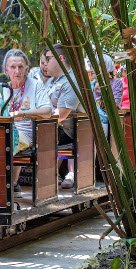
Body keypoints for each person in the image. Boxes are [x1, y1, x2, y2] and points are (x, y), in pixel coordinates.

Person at [0, 49, 52, 190]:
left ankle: (3, 187)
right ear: (6, 70)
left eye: (21, 67)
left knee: (5, 142)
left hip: (27, 133)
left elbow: (47, 110)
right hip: (3, 132)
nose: (17, 71)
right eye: (13, 67)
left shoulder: (36, 85)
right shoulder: (2, 90)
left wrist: (22, 114)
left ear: (27, 69)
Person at [42, 44, 86, 189]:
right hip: (62, 130)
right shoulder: (55, 80)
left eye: (48, 59)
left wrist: (32, 114)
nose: (46, 64)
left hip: (80, 133)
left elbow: (61, 114)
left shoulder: (71, 80)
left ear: (60, 58)